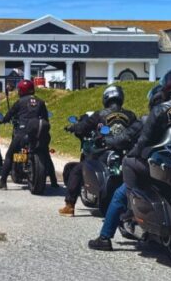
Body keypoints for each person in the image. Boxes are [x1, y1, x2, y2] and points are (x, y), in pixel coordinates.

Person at [87, 84, 165, 251]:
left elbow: (125, 137)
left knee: (121, 194)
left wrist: (106, 141)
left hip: (151, 167)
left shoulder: (148, 119)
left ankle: (105, 237)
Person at [59, 84, 137, 215]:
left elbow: (83, 127)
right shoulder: (130, 115)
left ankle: (70, 205)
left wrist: (73, 127)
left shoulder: (99, 114)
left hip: (102, 152)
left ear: (106, 98)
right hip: (125, 152)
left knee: (77, 170)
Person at [0, 79, 54, 189]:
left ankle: (2, 182)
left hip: (22, 132)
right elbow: (46, 119)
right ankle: (54, 182)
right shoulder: (40, 102)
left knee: (9, 155)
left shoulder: (20, 102)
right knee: (46, 154)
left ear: (21, 91)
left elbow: (10, 114)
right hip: (39, 133)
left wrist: (3, 120)